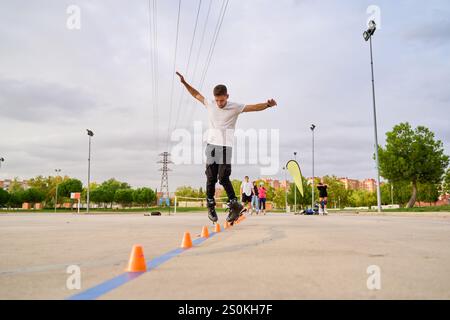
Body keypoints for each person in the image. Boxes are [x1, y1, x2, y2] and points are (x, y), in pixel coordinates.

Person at [177, 71, 277, 224]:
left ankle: (234, 205)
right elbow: (195, 94)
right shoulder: (210, 103)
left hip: (225, 146)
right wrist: (184, 83)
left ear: (227, 96)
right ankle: (211, 206)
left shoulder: (235, 107)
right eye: (217, 100)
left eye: (222, 100)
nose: (219, 103)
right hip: (211, 145)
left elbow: (254, 107)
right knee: (210, 178)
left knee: (223, 178)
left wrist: (267, 105)